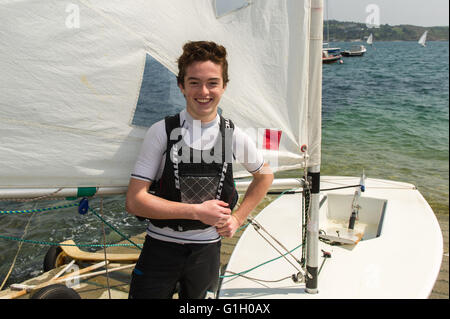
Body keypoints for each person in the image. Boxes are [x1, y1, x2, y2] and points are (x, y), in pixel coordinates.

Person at [126, 41, 274, 299]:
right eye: (194, 82)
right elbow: (134, 201)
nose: (203, 91)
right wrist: (196, 211)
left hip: (206, 253)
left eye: (212, 83)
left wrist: (237, 219)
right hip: (159, 248)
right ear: (181, 85)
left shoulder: (234, 135)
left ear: (224, 86)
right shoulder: (161, 132)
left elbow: (264, 176)